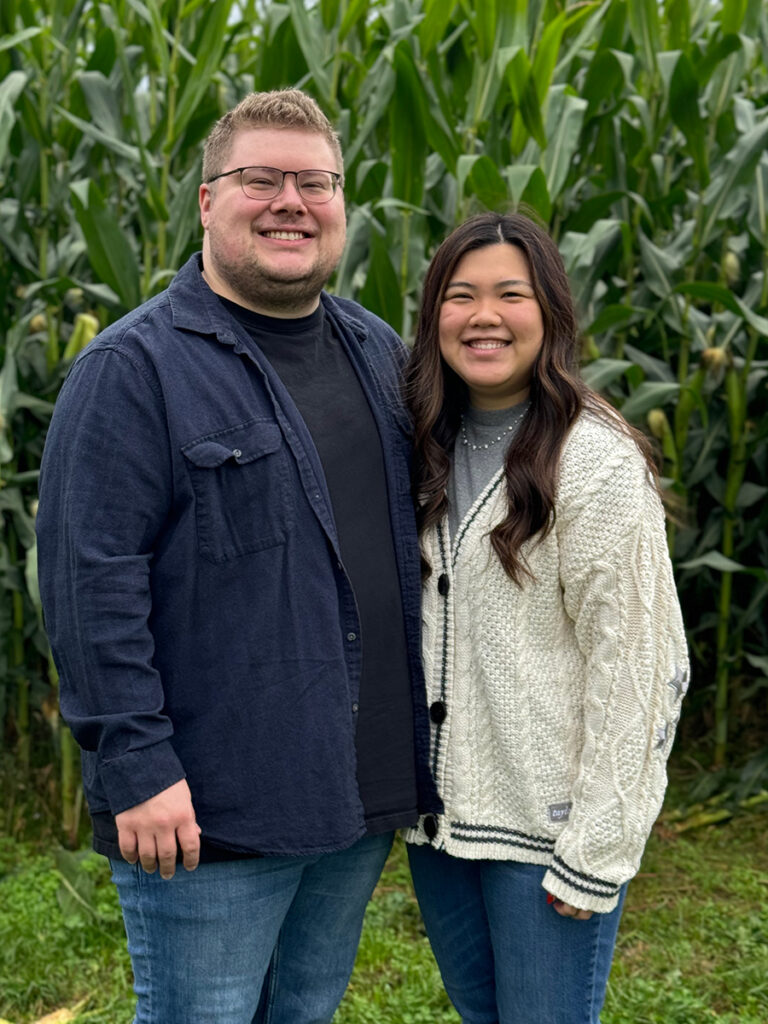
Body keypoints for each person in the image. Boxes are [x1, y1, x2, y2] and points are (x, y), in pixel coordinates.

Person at [35, 88, 441, 1024]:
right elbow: (89, 582)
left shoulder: (377, 351)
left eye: (316, 183)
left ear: (343, 203)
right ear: (209, 200)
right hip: (211, 804)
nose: (291, 202)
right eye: (261, 179)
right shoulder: (133, 370)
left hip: (358, 788)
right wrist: (133, 761)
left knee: (302, 1010)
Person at [402, 212, 689, 1024]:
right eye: (459, 296)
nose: (483, 316)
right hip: (443, 832)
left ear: (550, 314)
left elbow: (641, 662)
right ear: (433, 318)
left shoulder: (593, 461)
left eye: (509, 295)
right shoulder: (422, 441)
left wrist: (597, 845)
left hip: (550, 837)